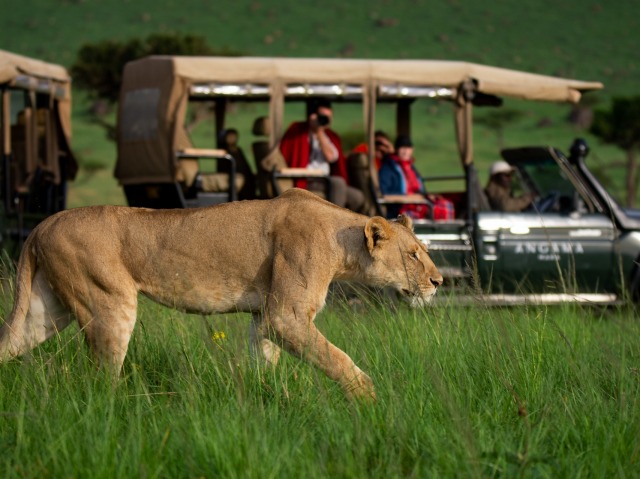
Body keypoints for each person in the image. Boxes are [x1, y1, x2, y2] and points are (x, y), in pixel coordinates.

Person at [279, 98, 366, 213]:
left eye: (328, 118)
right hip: (306, 179)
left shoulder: (331, 136)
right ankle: (335, 222)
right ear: (313, 116)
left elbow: (331, 156)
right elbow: (287, 152)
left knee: (357, 197)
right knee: (338, 183)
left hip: (325, 179)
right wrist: (313, 127)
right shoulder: (298, 132)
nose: (324, 121)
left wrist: (319, 132)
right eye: (322, 117)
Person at [379, 135, 454, 220]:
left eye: (408, 148)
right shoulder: (388, 168)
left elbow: (420, 189)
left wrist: (426, 196)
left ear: (412, 150)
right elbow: (385, 193)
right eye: (402, 148)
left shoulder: (411, 167)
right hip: (401, 207)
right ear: (397, 150)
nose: (405, 151)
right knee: (436, 209)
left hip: (418, 203)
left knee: (446, 204)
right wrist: (409, 197)